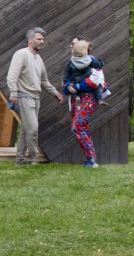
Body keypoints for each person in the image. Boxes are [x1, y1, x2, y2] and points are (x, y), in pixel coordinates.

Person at [6, 26, 64, 165]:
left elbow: (44, 80)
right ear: (30, 40)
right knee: (32, 128)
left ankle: (20, 160)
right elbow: (12, 75)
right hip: (23, 95)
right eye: (39, 39)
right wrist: (13, 93)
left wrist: (55, 92)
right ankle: (33, 158)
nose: (42, 41)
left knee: (26, 130)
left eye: (43, 39)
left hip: (36, 97)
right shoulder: (21, 54)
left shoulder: (38, 58)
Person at [62, 38, 106, 167]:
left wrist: (75, 87)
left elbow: (94, 82)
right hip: (75, 101)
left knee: (77, 126)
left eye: (76, 44)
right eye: (72, 44)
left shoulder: (92, 61)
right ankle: (89, 159)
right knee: (81, 128)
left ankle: (91, 158)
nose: (73, 46)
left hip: (87, 98)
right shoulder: (70, 63)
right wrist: (68, 86)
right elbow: (65, 84)